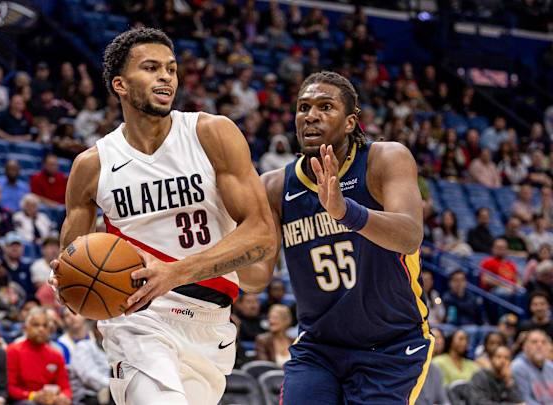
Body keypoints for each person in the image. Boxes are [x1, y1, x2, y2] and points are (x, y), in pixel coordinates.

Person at [49, 28, 276, 405]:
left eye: (171, 69)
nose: (166, 77)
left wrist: (176, 271)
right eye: (151, 68)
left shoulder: (211, 134)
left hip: (211, 324)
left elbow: (263, 238)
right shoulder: (92, 165)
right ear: (120, 84)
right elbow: (71, 258)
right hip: (137, 320)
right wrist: (68, 285)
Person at [251, 70, 431, 404]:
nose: (311, 116)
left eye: (325, 107)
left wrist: (345, 211)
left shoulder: (385, 159)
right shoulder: (275, 186)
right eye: (303, 107)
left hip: (391, 346)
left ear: (350, 123)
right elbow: (255, 278)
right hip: (319, 347)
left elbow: (409, 236)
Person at [6, 307, 72, 405]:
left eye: (45, 326)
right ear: (25, 328)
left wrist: (63, 397)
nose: (41, 329)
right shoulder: (12, 351)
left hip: (49, 401)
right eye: (36, 325)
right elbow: (10, 388)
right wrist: (33, 396)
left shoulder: (56, 354)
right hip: (24, 400)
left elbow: (65, 388)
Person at [54, 309, 110, 405]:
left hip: (105, 388)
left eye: (75, 313)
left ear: (84, 315)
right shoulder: (60, 346)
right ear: (63, 321)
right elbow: (87, 377)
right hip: (81, 395)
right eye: (67, 316)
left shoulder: (97, 336)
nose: (72, 317)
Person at [511, 329, 553, 404]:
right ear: (525, 347)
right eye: (534, 342)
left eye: (544, 342)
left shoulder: (550, 367)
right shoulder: (517, 367)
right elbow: (525, 400)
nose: (539, 345)